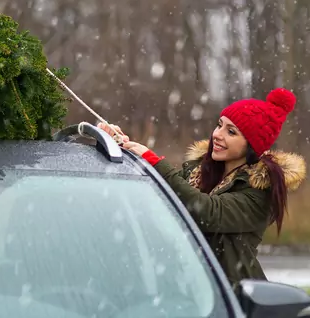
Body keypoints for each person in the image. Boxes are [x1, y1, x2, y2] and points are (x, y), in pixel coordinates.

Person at [98, 88, 306, 290]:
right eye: (219, 125)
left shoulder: (259, 194)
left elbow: (206, 212)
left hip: (233, 298)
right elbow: (159, 197)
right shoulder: (199, 174)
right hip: (186, 289)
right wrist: (121, 147)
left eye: (231, 132)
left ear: (251, 145)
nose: (217, 134)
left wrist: (154, 162)